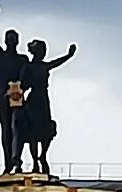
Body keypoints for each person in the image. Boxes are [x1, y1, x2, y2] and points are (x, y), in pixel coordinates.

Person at [15, 37, 77, 177]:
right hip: (33, 99)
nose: (42, 53)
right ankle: (35, 161)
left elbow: (55, 63)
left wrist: (68, 55)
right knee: (33, 131)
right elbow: (23, 85)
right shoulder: (28, 67)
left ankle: (42, 156)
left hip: (43, 99)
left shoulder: (43, 66)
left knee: (46, 129)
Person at [0, 1, 28, 173]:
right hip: (2, 96)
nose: (11, 41)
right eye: (9, 39)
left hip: (17, 97)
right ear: (5, 41)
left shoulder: (22, 60)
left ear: (17, 41)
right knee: (5, 129)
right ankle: (8, 163)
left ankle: (17, 161)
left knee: (16, 127)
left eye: (14, 39)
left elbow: (29, 77)